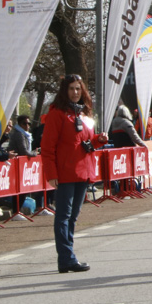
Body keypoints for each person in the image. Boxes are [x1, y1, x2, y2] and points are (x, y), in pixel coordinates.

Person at [41, 74, 108, 273]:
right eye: (71, 89)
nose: (75, 92)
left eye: (78, 89)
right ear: (64, 91)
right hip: (65, 173)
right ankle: (67, 258)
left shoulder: (84, 114)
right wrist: (51, 173)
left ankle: (67, 257)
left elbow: (83, 144)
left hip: (83, 171)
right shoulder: (57, 114)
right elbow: (47, 147)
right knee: (63, 215)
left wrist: (98, 140)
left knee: (73, 216)